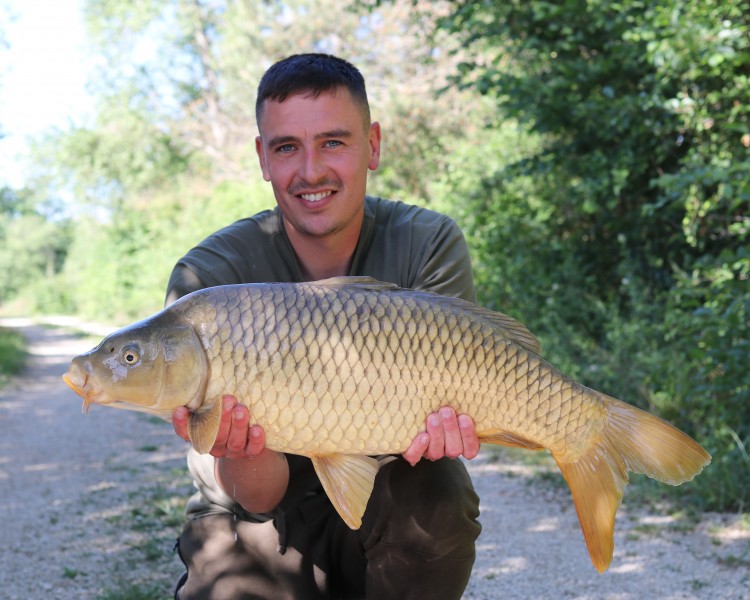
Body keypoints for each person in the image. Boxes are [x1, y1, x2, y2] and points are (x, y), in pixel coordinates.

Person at [167, 53, 482, 600]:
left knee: (438, 490)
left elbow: (448, 418)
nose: (310, 170)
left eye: (333, 142)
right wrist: (241, 447)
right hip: (257, 520)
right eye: (287, 147)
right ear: (263, 158)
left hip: (390, 496)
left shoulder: (427, 243)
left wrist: (463, 422)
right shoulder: (209, 280)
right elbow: (257, 497)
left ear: (374, 145)